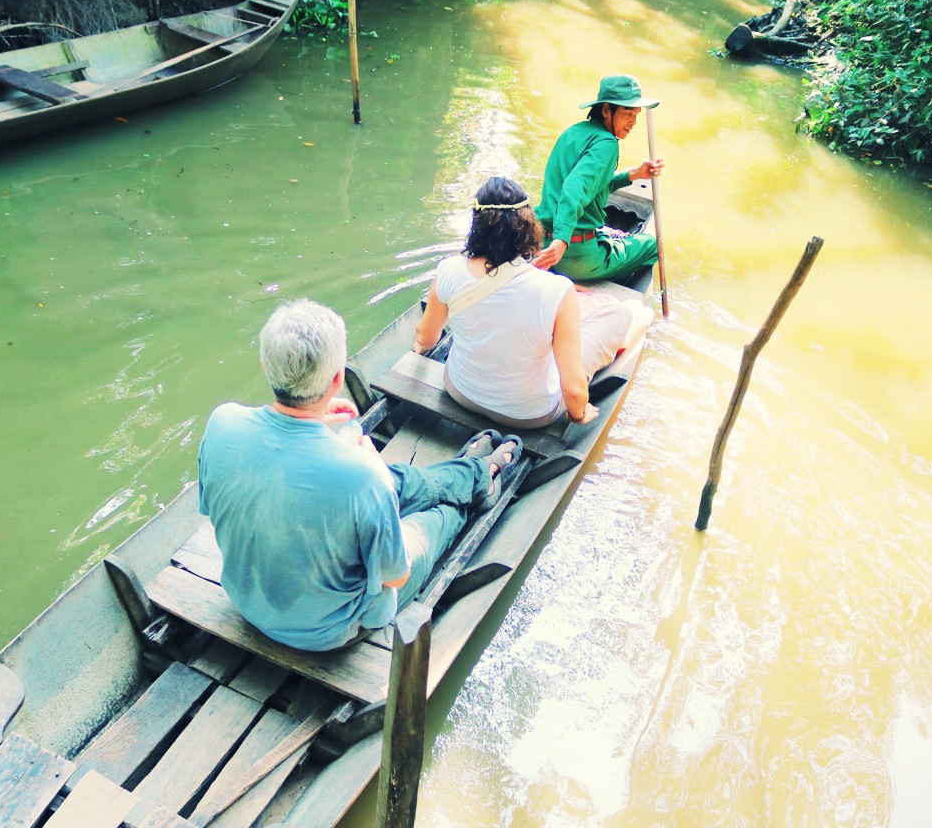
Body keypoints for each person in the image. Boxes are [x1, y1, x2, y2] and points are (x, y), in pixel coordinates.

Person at [197, 299, 522, 653]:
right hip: (328, 631)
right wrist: (371, 467)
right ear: (338, 379)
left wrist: (319, 418)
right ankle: (477, 482)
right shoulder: (364, 475)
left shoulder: (222, 423)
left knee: (385, 482)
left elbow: (261, 482)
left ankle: (472, 472)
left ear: (265, 365)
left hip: (247, 601)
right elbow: (395, 576)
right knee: (436, 516)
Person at [413, 177, 654, 430]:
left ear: (477, 224)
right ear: (527, 226)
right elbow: (573, 390)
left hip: (459, 390)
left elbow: (426, 339)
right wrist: (578, 415)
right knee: (622, 314)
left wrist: (420, 347)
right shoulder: (556, 289)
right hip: (529, 415)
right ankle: (635, 316)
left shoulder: (448, 269)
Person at [532, 74, 666, 282]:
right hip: (570, 255)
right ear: (605, 110)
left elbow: (592, 186)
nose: (633, 122)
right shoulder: (606, 143)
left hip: (539, 241)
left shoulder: (573, 132)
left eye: (636, 114)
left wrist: (635, 174)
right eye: (628, 113)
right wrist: (562, 239)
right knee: (653, 245)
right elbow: (575, 188)